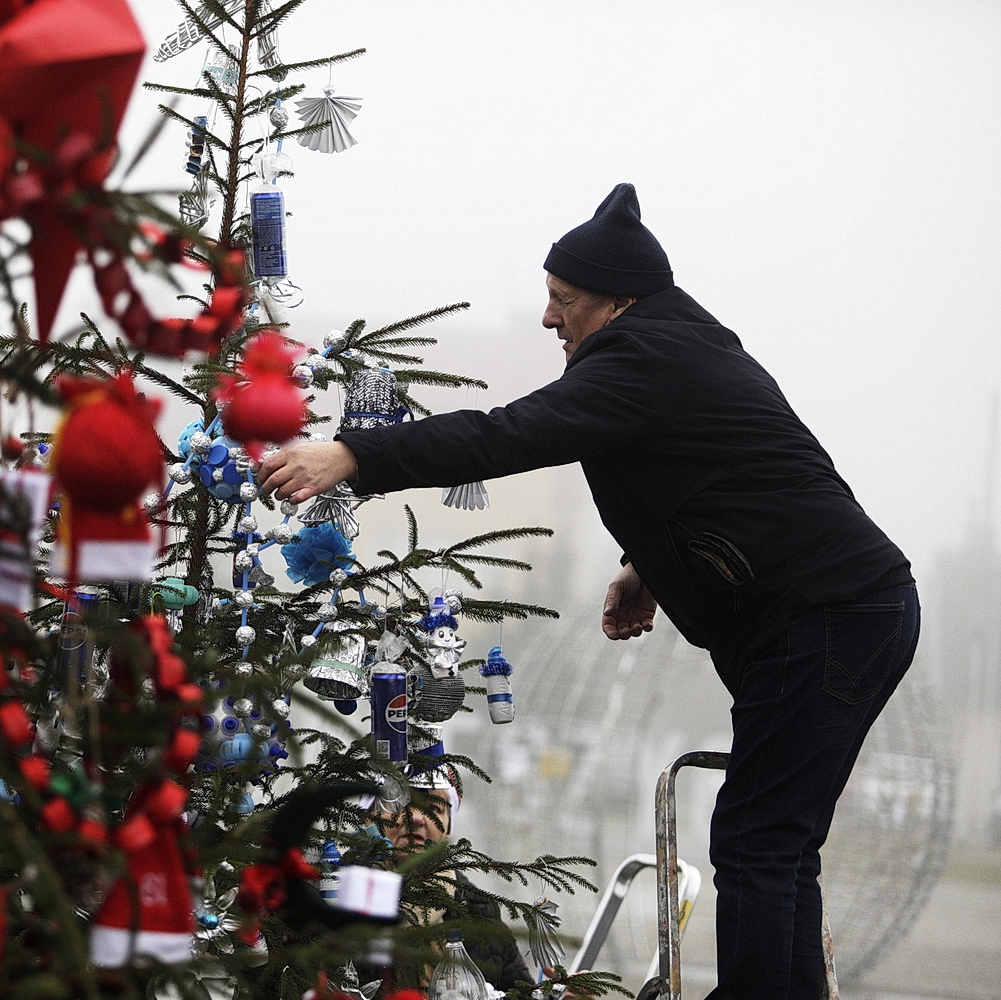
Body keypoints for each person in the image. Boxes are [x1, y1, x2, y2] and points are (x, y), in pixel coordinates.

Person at [260, 184, 919, 1000]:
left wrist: (356, 456)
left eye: (563, 300)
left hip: (829, 618)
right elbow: (729, 476)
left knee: (756, 838)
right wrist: (648, 566)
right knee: (776, 841)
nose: (548, 317)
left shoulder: (644, 359)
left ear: (619, 301)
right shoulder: (679, 349)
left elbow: (510, 433)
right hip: (837, 612)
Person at [372, 761, 534, 994]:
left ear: (447, 827)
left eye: (434, 809)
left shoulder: (478, 909)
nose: (416, 818)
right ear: (371, 816)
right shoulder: (335, 895)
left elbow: (518, 992)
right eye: (401, 803)